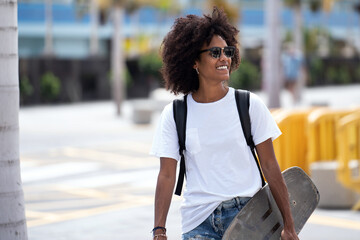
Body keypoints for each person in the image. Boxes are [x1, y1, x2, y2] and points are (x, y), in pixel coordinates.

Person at [150, 7, 299, 240]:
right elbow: (167, 176)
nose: (224, 58)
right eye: (215, 52)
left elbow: (270, 165)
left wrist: (289, 224)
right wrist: (159, 230)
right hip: (198, 222)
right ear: (194, 62)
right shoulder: (175, 114)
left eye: (227, 51)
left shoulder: (249, 105)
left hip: (248, 218)